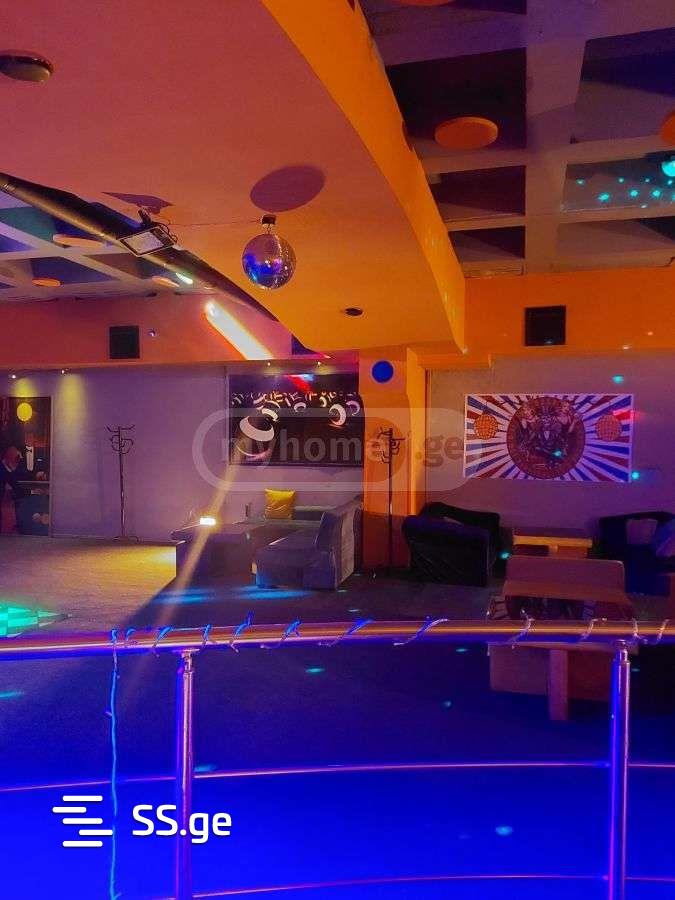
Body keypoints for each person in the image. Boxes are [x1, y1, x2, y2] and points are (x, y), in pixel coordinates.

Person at [0, 446, 26, 533]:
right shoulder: (4, 469)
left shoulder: (5, 468)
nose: (17, 462)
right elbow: (13, 482)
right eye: (16, 459)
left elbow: (14, 482)